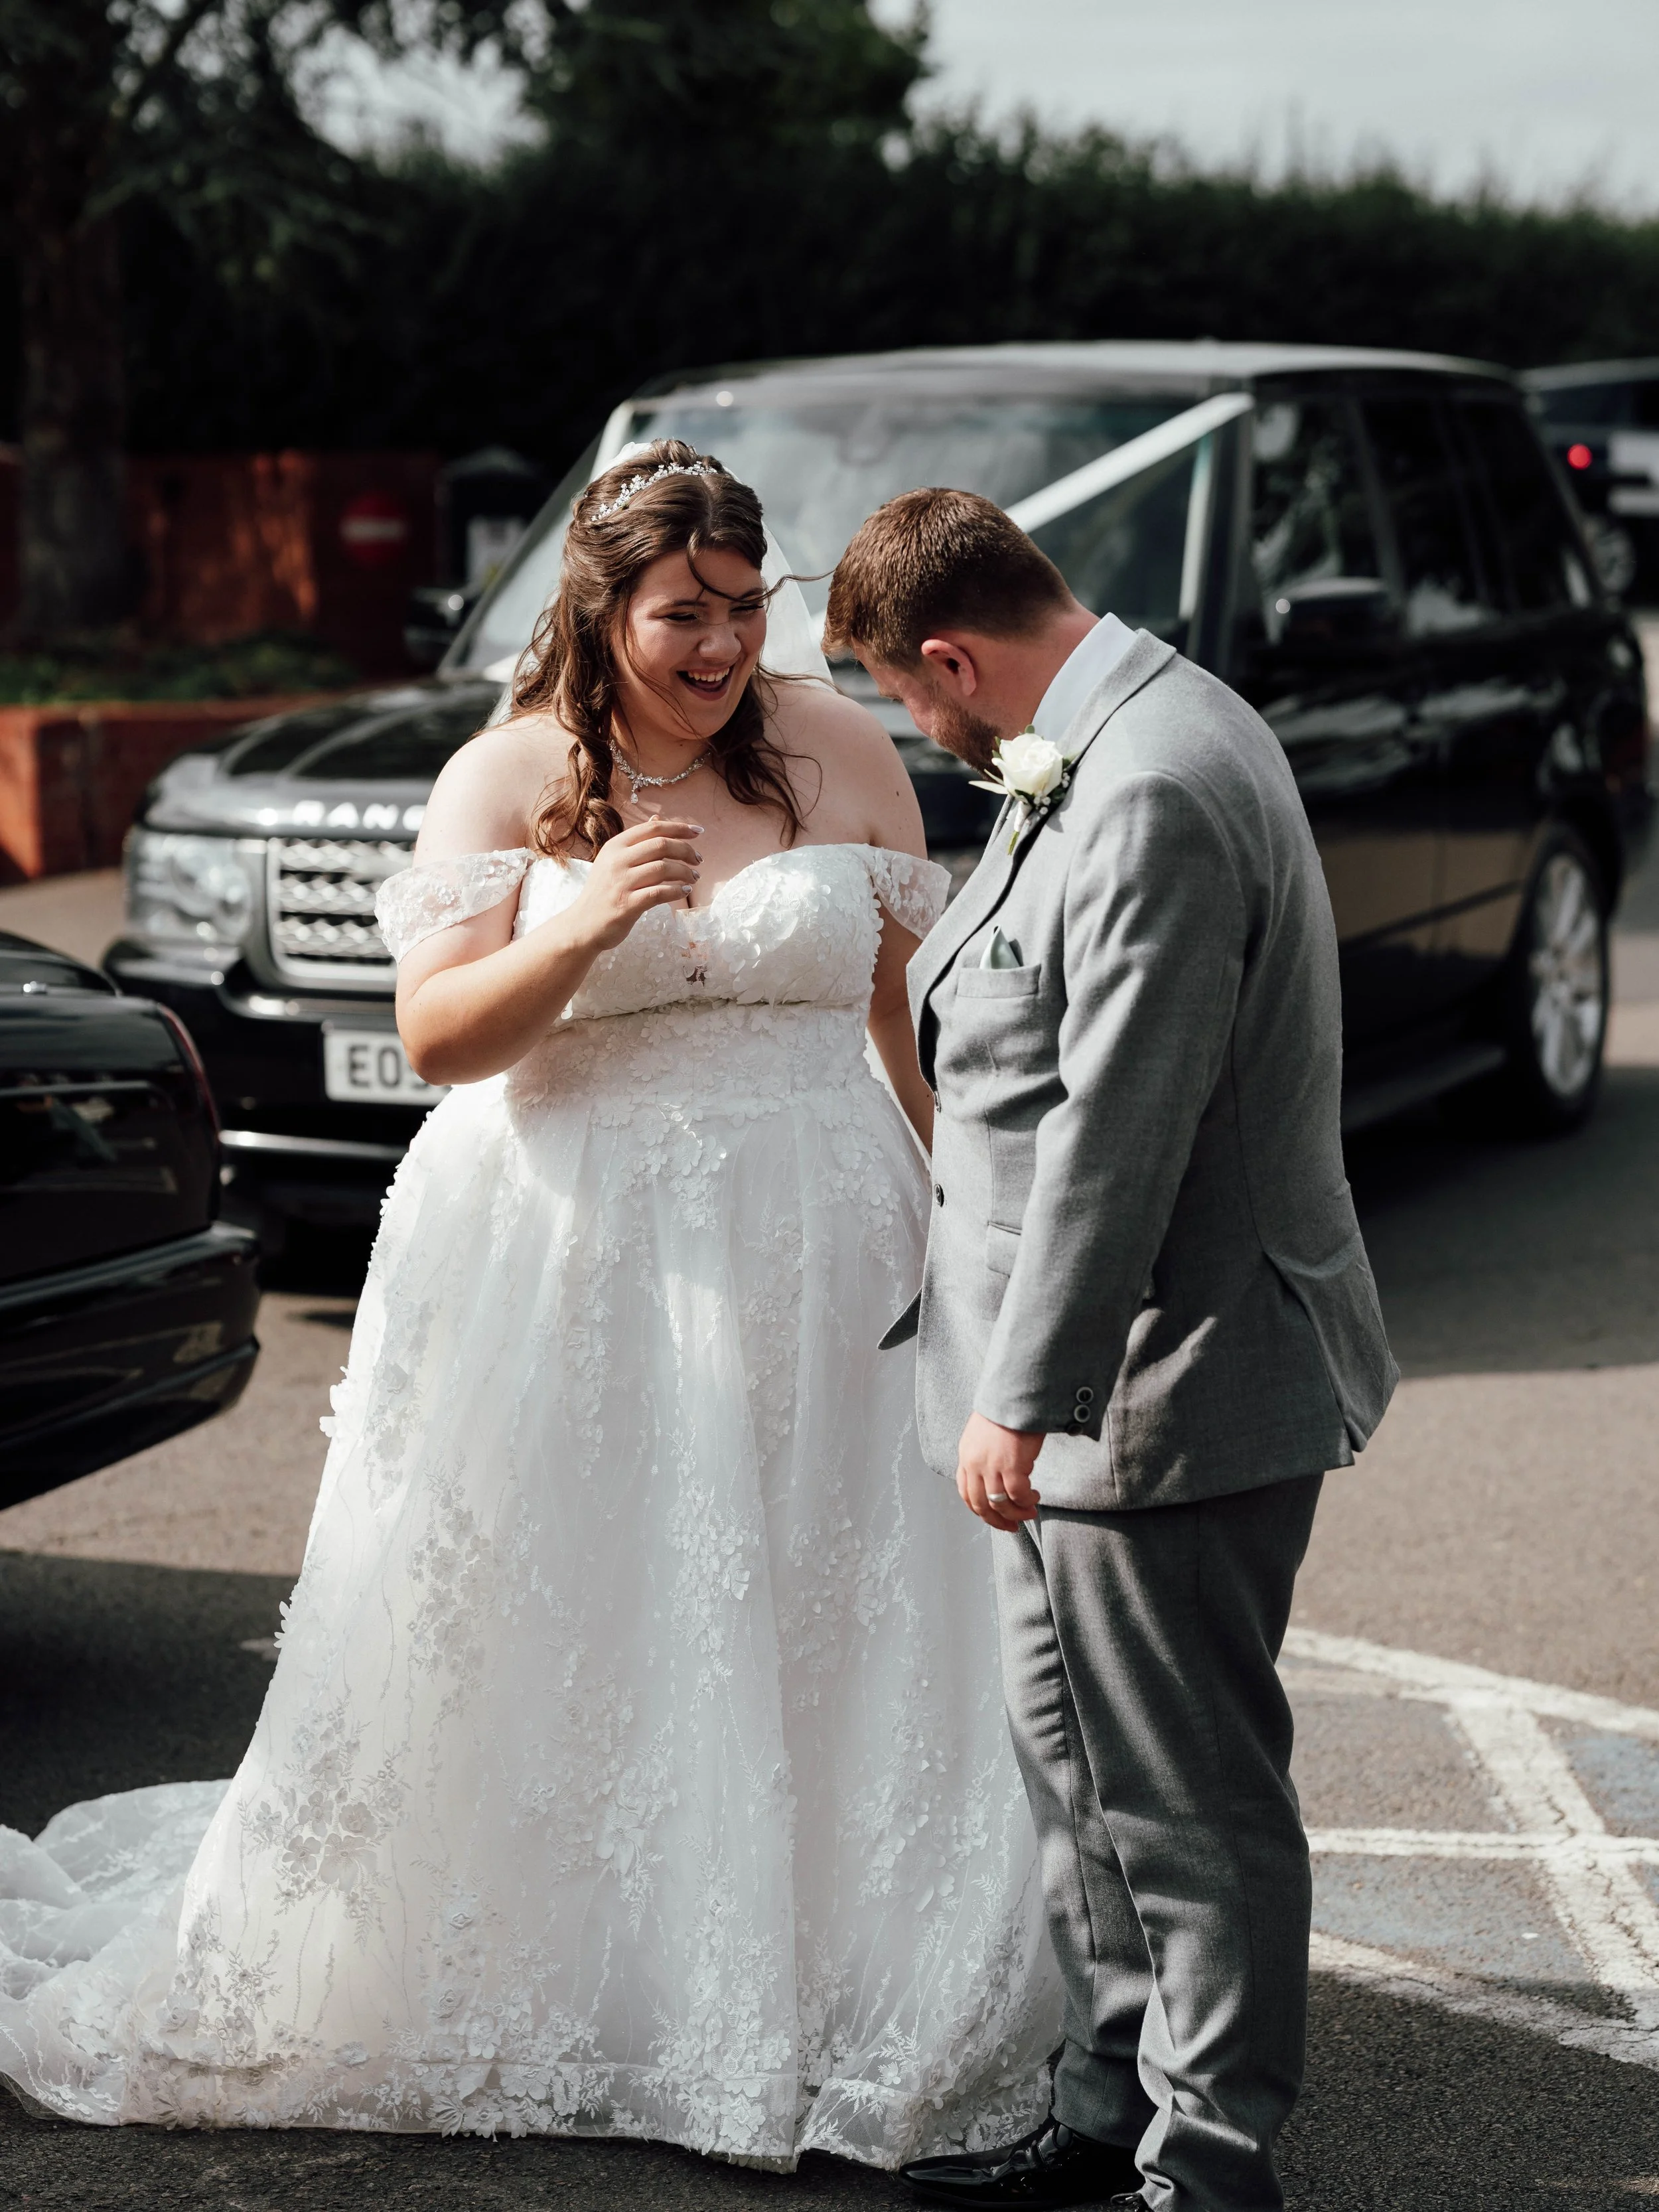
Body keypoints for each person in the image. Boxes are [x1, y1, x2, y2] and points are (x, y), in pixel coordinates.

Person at [0, 445, 1061, 2167]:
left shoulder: (840, 751)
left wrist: (981, 1221)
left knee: (830, 1607)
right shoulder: (501, 778)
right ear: (601, 605)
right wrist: (588, 931)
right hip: (584, 1250)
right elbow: (438, 1040)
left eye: (741, 611)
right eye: (678, 617)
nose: (718, 650)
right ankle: (604, 1967)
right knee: (596, 1606)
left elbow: (897, 1019)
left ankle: (845, 1969)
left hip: (823, 1239)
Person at [823, 490, 1398, 2212]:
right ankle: (1105, 2103)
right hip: (1084, 1395)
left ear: (950, 657)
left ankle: (1206, 2163)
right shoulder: (1095, 729)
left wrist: (1023, 1391)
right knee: (1071, 1765)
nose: (917, 731)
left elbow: (1116, 1132)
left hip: (1159, 1387)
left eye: (902, 696)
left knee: (1183, 1796)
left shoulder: (1146, 781)